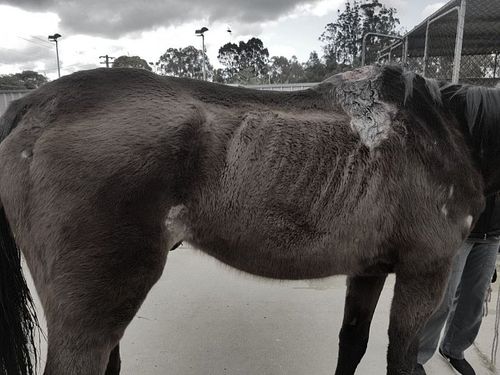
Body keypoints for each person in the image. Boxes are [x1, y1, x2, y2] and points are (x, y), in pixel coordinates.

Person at [414, 194, 500, 375]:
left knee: (474, 300)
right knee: (443, 297)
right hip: (458, 229)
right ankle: (417, 354)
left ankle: (453, 348)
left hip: (492, 234)